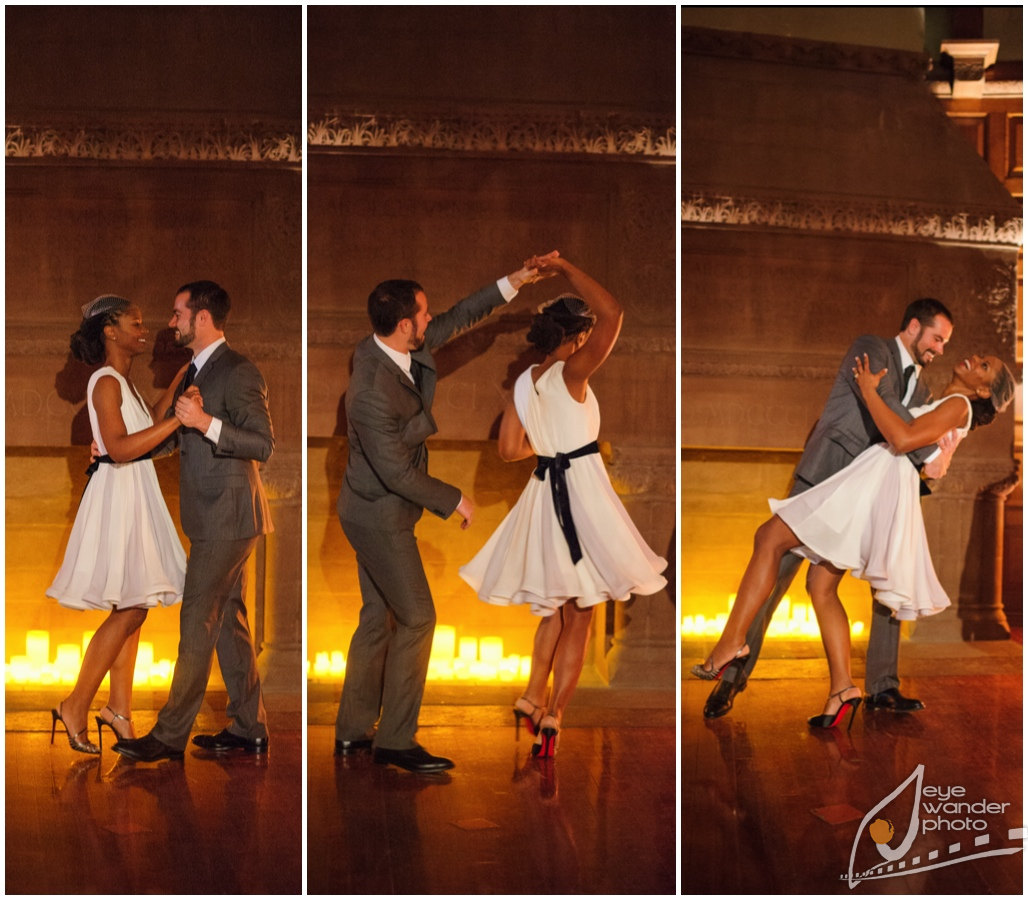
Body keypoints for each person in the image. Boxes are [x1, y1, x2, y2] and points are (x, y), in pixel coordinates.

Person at [692, 350, 1015, 729]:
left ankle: (731, 644)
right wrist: (938, 460)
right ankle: (843, 689)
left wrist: (868, 390)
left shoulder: (959, 405)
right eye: (980, 357)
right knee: (820, 587)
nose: (974, 359)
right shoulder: (946, 402)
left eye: (984, 366)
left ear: (982, 390)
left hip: (870, 486)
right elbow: (928, 456)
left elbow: (902, 437)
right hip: (874, 482)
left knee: (769, 537)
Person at [334, 256, 555, 774]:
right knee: (419, 617)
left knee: (377, 619)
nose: (432, 321)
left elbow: (459, 316)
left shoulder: (392, 345)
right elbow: (394, 473)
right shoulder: (369, 389)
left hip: (375, 506)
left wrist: (516, 282)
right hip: (377, 512)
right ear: (405, 324)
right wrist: (454, 498)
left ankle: (351, 732)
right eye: (424, 316)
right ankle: (395, 740)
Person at [701, 299, 957, 720]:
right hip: (825, 475)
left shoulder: (926, 391)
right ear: (913, 326)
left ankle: (881, 687)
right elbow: (892, 414)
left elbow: (908, 443)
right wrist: (925, 446)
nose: (940, 349)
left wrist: (931, 459)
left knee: (886, 582)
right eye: (937, 338)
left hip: (866, 496)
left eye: (945, 343)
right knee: (776, 574)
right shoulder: (872, 349)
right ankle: (731, 678)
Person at [460, 254, 668, 758]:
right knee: (582, 614)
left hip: (542, 496)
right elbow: (614, 312)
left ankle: (532, 694)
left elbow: (509, 451)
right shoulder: (573, 373)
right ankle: (555, 713)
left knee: (553, 607)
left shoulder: (525, 383)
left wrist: (549, 446)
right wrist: (567, 266)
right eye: (587, 337)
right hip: (580, 496)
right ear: (576, 339)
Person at [113, 280, 274, 762]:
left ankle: (168, 736)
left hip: (229, 516)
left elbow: (263, 444)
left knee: (196, 619)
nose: (171, 321)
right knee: (228, 621)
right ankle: (250, 728)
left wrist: (206, 423)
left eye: (177, 313)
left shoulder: (239, 370)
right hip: (214, 515)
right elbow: (172, 437)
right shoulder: (194, 372)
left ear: (202, 318)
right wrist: (114, 455)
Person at [47, 295, 188, 754]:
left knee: (138, 603)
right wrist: (177, 422)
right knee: (129, 607)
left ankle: (119, 711)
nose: (143, 329)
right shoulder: (104, 381)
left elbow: (148, 425)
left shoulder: (122, 383)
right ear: (110, 330)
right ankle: (76, 703)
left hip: (135, 491)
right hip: (120, 494)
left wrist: (179, 388)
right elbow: (122, 447)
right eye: (135, 322)